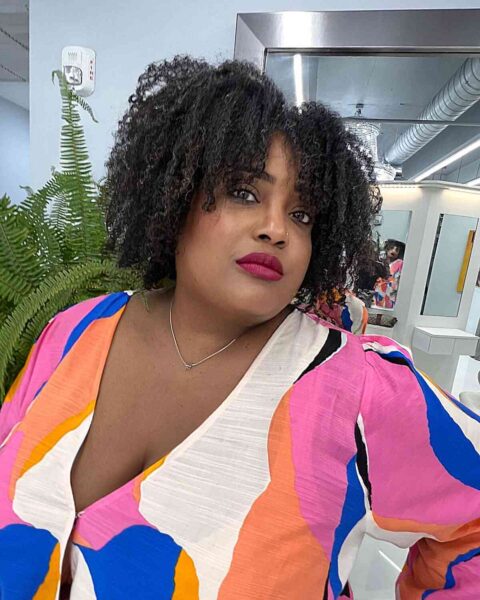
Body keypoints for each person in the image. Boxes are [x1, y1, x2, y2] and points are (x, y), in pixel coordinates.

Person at [0, 56, 478, 600]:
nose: (276, 229)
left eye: (301, 214)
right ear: (176, 194)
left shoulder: (357, 391)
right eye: (244, 193)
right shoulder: (72, 333)